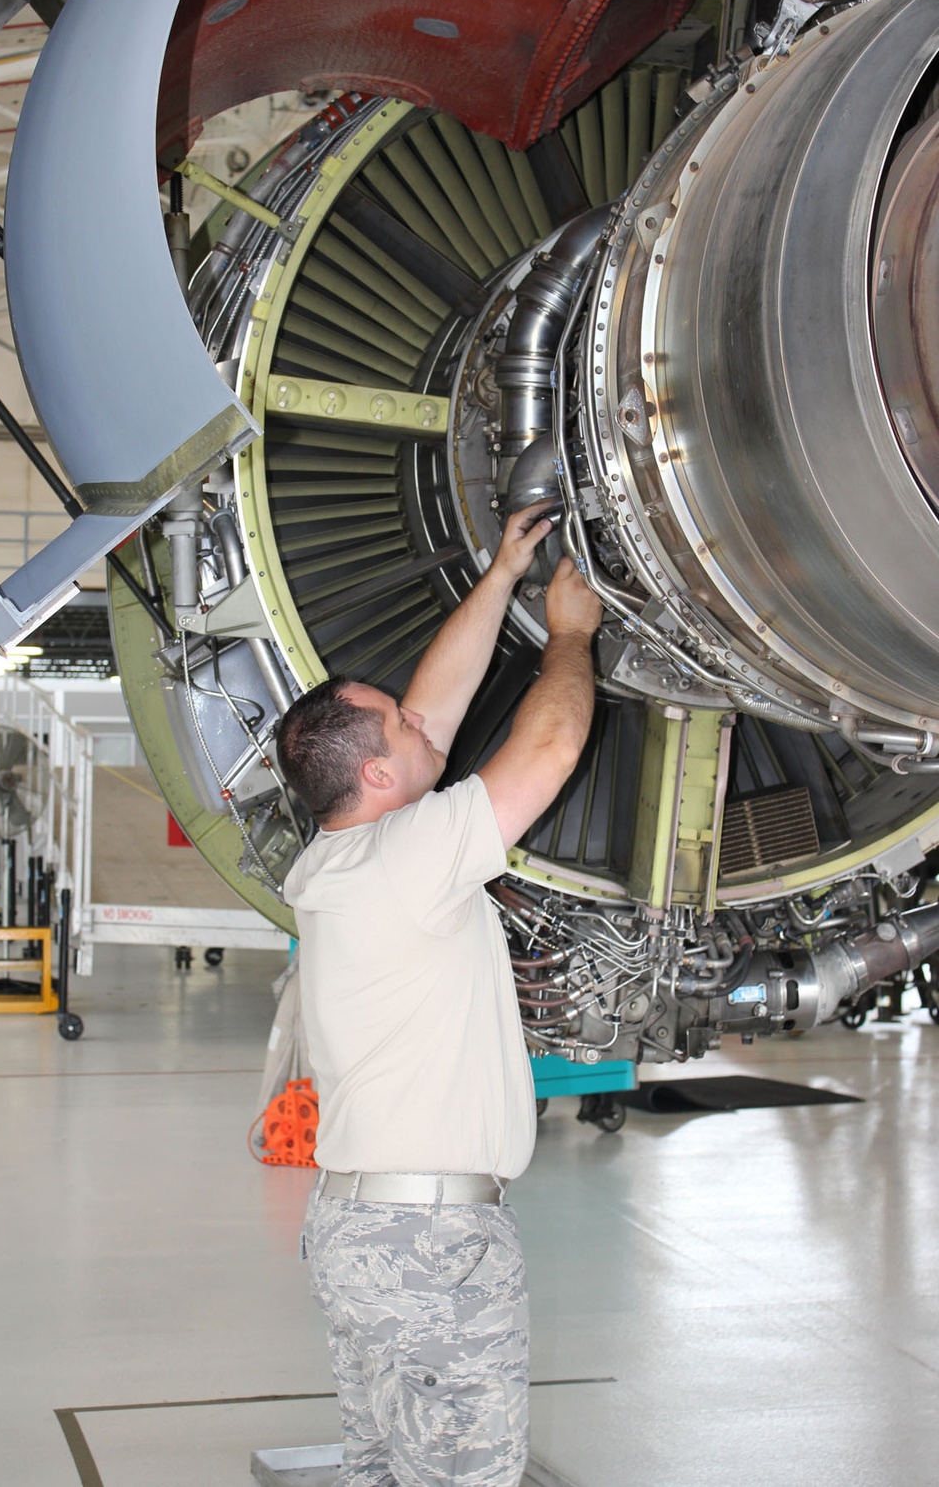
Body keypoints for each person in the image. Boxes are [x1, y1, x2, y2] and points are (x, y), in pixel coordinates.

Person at [276, 504, 602, 1487]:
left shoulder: (344, 856)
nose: (425, 720)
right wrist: (571, 639)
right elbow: (543, 756)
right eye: (403, 727)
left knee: (383, 1470)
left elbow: (436, 708)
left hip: (360, 1235)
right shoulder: (407, 857)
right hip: (429, 1244)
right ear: (377, 772)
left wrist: (502, 575)